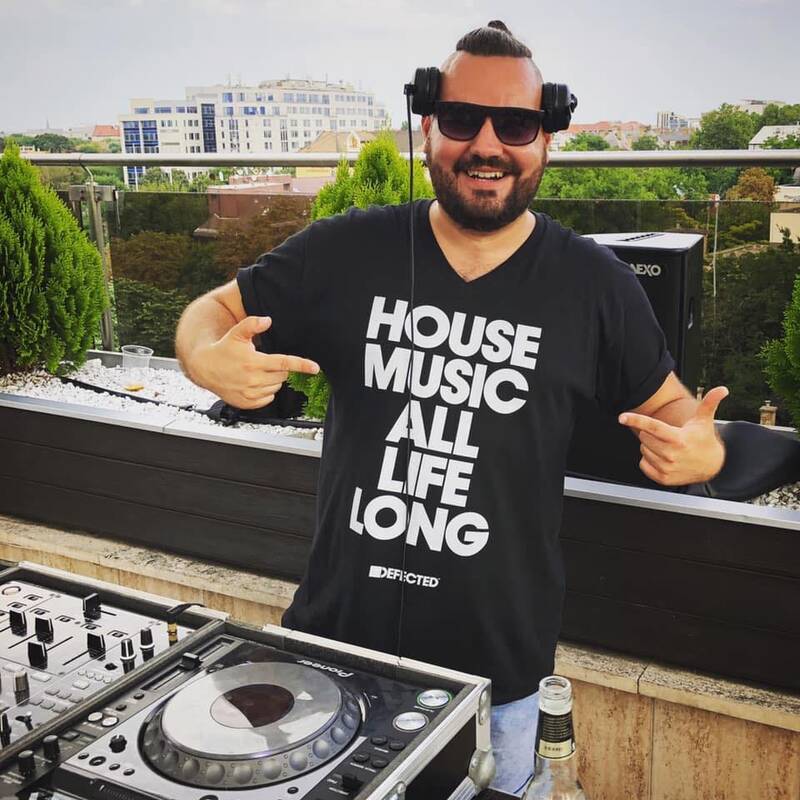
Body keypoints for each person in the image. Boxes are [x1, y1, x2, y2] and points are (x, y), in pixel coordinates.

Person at [175, 22, 727, 796]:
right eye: (464, 119)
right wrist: (205, 357)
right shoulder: (346, 252)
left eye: (517, 124)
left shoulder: (597, 285)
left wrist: (701, 450)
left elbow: (674, 408)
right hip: (331, 657)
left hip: (499, 688)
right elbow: (211, 312)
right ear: (429, 123)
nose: (488, 145)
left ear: (547, 136)